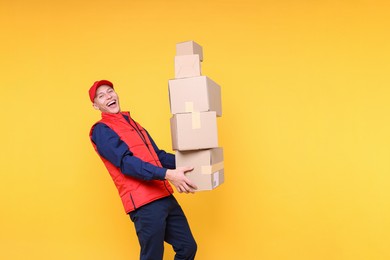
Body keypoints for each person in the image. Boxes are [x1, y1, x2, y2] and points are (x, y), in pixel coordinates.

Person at [88, 80, 198, 260]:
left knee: (187, 247)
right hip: (143, 203)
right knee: (152, 257)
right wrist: (168, 174)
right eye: (101, 96)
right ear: (95, 105)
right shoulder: (101, 130)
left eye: (110, 91)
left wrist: (193, 161)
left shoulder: (134, 124)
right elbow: (126, 163)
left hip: (163, 194)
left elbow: (159, 156)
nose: (108, 96)